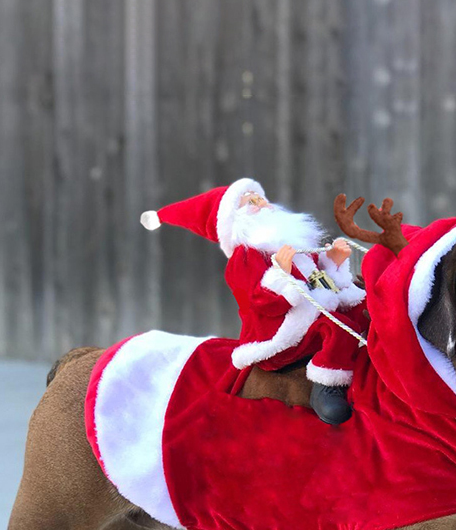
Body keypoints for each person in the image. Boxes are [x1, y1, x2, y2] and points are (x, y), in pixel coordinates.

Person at [141, 178, 367, 424]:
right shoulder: (245, 258)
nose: (262, 204)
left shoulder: (294, 244)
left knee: (359, 309)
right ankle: (327, 386)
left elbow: (318, 279)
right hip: (281, 333)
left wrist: (333, 261)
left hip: (313, 312)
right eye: (250, 202)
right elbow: (261, 301)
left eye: (260, 198)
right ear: (236, 221)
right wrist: (280, 272)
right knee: (334, 328)